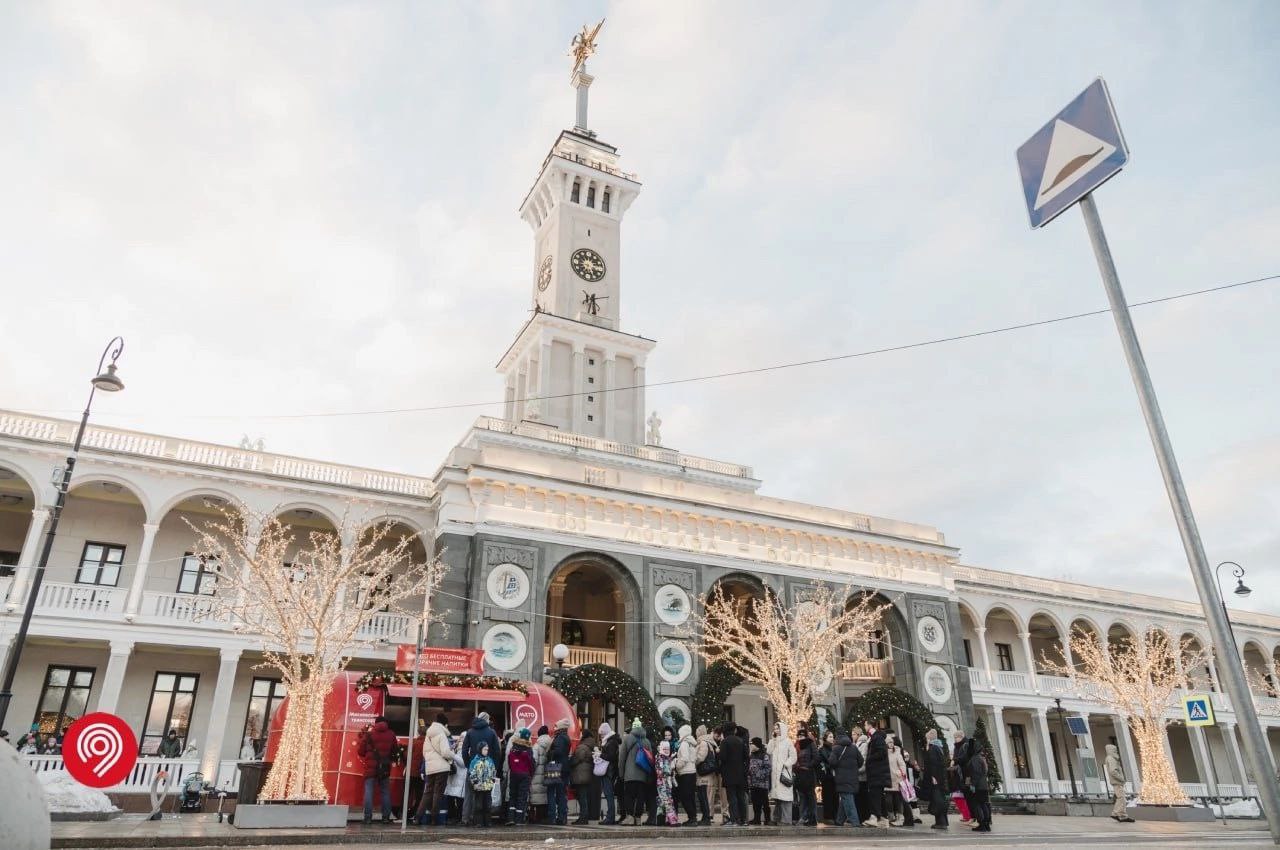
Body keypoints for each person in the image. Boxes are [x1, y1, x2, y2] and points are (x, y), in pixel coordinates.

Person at [358, 715, 400, 825]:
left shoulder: (369, 734)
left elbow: (360, 752)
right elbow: (395, 750)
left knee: (369, 792)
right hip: (384, 768)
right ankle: (386, 817)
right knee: (385, 792)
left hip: (370, 768)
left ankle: (367, 818)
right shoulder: (391, 734)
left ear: (376, 723)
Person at [461, 711, 501, 826]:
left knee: (469, 794)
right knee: (486, 796)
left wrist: (468, 765)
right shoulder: (492, 732)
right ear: (487, 720)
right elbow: (497, 752)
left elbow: (464, 751)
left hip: (473, 767)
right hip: (488, 769)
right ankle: (484, 821)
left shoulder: (470, 732)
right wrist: (494, 767)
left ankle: (466, 818)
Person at [415, 714, 456, 826]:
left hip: (430, 767)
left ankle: (418, 817)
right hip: (442, 768)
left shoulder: (428, 734)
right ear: (445, 724)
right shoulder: (441, 734)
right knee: (438, 793)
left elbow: (424, 753)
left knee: (427, 792)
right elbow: (445, 752)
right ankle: (434, 819)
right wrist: (453, 756)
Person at [618, 718, 653, 826]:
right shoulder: (646, 741)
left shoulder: (628, 739)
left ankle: (629, 817)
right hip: (643, 774)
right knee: (640, 796)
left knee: (629, 795)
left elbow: (622, 757)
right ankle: (638, 818)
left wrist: (621, 773)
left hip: (630, 774)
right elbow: (650, 758)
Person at [718, 721, 748, 826]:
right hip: (740, 773)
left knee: (732, 797)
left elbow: (723, 758)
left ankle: (734, 819)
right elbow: (746, 757)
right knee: (741, 797)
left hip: (729, 773)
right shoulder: (741, 741)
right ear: (734, 730)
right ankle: (743, 819)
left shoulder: (725, 742)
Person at [767, 721, 797, 825]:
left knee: (786, 799)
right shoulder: (775, 741)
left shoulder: (788, 741)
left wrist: (786, 764)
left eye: (778, 728)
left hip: (784, 772)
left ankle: (786, 820)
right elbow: (769, 751)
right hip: (775, 774)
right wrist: (772, 739)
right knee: (778, 798)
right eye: (775, 728)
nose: (776, 730)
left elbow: (793, 756)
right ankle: (777, 818)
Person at [861, 720, 889, 828]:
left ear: (869, 725)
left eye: (865, 724)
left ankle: (874, 817)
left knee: (875, 795)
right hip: (877, 771)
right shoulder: (873, 737)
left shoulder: (876, 737)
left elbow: (881, 752)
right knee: (879, 795)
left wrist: (869, 759)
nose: (864, 726)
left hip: (877, 772)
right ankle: (883, 818)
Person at [545, 718, 572, 825]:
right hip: (563, 767)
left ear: (561, 728)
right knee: (561, 793)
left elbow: (558, 752)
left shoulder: (560, 738)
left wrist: (549, 752)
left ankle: (553, 816)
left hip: (556, 767)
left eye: (556, 726)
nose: (555, 728)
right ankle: (562, 816)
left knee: (552, 792)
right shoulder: (565, 737)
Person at [569, 727, 597, 824]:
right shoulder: (590, 745)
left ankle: (583, 817)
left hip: (580, 775)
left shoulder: (582, 746)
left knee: (582, 797)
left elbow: (578, 758)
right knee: (583, 796)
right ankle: (584, 816)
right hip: (586, 774)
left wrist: (570, 761)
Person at [924, 729, 949, 830]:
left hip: (936, 779)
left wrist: (934, 776)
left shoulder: (933, 748)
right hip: (940, 778)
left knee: (937, 800)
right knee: (939, 800)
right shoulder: (939, 747)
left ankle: (941, 822)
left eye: (927, 738)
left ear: (929, 738)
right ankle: (942, 822)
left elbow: (933, 764)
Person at [887, 735, 914, 827]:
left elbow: (902, 765)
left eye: (891, 742)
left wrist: (900, 772)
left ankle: (900, 818)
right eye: (888, 742)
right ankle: (891, 816)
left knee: (899, 799)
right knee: (889, 800)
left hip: (897, 779)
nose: (890, 744)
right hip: (888, 779)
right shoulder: (884, 753)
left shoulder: (897, 752)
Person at [694, 723, 719, 824]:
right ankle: (706, 817)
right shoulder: (708, 742)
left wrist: (693, 761)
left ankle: (706, 818)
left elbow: (701, 757)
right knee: (705, 796)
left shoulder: (703, 743)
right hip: (707, 774)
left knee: (705, 796)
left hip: (705, 774)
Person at [674, 724, 699, 825]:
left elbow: (684, 758)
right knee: (690, 796)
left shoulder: (684, 743)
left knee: (685, 797)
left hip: (685, 773)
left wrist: (676, 766)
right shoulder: (692, 743)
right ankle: (693, 817)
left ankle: (692, 818)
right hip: (692, 772)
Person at [468, 742, 497, 827]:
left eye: (487, 749)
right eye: (484, 749)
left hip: (488, 786)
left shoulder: (490, 760)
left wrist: (492, 781)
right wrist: (475, 783)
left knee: (488, 805)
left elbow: (493, 771)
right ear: (480, 750)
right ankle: (478, 822)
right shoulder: (475, 761)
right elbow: (471, 773)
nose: (486, 751)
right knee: (478, 805)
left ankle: (487, 821)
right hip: (479, 787)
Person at [793, 727, 818, 826]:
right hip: (800, 774)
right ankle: (803, 817)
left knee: (810, 797)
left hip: (808, 774)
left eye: (802, 736)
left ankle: (812, 818)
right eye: (799, 736)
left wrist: (808, 766)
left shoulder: (811, 744)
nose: (800, 738)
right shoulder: (796, 746)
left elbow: (816, 758)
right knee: (802, 797)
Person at [1104, 743, 1134, 823]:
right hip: (1117, 781)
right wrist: (1121, 779)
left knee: (1122, 798)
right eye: (1115, 749)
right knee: (1121, 798)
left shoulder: (1110, 758)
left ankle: (1123, 815)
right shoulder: (1111, 758)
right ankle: (1116, 813)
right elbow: (1113, 771)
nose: (1116, 751)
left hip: (1116, 781)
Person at [952, 729, 975, 826]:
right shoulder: (957, 746)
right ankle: (967, 816)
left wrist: (955, 760)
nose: (955, 739)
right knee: (962, 795)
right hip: (960, 774)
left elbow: (965, 758)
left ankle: (971, 816)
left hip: (967, 774)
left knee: (968, 795)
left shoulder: (966, 745)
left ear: (961, 737)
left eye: (956, 737)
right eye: (955, 737)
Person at [443, 735, 468, 824]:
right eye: (460, 737)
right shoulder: (454, 747)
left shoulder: (467, 749)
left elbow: (463, 763)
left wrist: (453, 756)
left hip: (460, 778)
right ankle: (451, 816)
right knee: (450, 798)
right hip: (452, 777)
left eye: (463, 738)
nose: (461, 739)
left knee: (459, 799)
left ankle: (458, 817)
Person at [747, 737, 772, 825]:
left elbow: (768, 768)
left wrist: (759, 774)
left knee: (765, 802)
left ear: (756, 744)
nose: (750, 745)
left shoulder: (764, 755)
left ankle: (767, 819)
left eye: (752, 744)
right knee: (755, 803)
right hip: (753, 784)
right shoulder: (751, 755)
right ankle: (756, 819)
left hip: (762, 784)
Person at [598, 722, 620, 825]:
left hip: (609, 771)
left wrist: (600, 755)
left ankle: (610, 817)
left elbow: (611, 757)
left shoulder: (611, 742)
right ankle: (609, 816)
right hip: (609, 770)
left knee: (609, 794)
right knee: (608, 794)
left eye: (602, 734)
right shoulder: (611, 741)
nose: (601, 736)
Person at [968, 745, 992, 833]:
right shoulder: (981, 758)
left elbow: (976, 773)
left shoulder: (975, 759)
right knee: (984, 805)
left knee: (977, 805)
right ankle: (986, 824)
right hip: (983, 785)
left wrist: (972, 785)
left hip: (978, 786)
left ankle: (982, 824)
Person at [530, 725, 551, 824]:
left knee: (537, 796)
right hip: (549, 774)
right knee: (546, 796)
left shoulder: (537, 746)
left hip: (538, 775)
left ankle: (538, 818)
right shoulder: (552, 744)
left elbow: (534, 761)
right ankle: (545, 817)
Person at [655, 740, 679, 825]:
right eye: (664, 749)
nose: (666, 750)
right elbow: (660, 771)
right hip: (662, 783)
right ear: (661, 748)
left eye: (667, 749)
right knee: (668, 801)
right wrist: (669, 772)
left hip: (666, 783)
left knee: (662, 801)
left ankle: (660, 820)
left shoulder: (665, 758)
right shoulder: (660, 757)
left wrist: (671, 759)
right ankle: (672, 820)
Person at [819, 730, 837, 824]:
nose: (832, 738)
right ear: (826, 738)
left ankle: (835, 815)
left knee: (835, 796)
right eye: (830, 736)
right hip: (827, 776)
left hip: (834, 776)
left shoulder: (834, 748)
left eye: (832, 736)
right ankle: (828, 816)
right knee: (828, 796)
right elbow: (823, 762)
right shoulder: (822, 750)